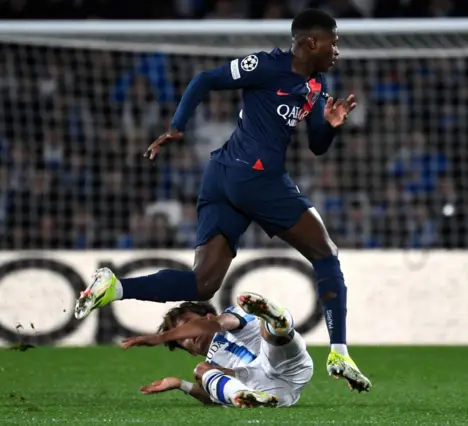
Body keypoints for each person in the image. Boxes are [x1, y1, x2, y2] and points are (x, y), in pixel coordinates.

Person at [74, 8, 370, 392]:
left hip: (223, 176)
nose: (337, 51)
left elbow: (316, 146)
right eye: (334, 42)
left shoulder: (317, 85)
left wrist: (330, 127)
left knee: (203, 285)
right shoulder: (265, 65)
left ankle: (115, 287)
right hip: (257, 177)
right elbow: (205, 80)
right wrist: (177, 127)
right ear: (311, 42)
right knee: (325, 254)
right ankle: (340, 353)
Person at [122, 292, 313, 408]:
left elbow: (220, 323)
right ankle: (244, 396)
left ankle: (277, 321)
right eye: (181, 339)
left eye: (189, 325)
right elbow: (213, 398)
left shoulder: (230, 318)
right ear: (190, 351)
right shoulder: (211, 366)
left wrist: (159, 338)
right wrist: (181, 384)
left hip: (288, 366)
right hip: (271, 392)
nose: (187, 335)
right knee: (201, 371)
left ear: (208, 316)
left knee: (268, 332)